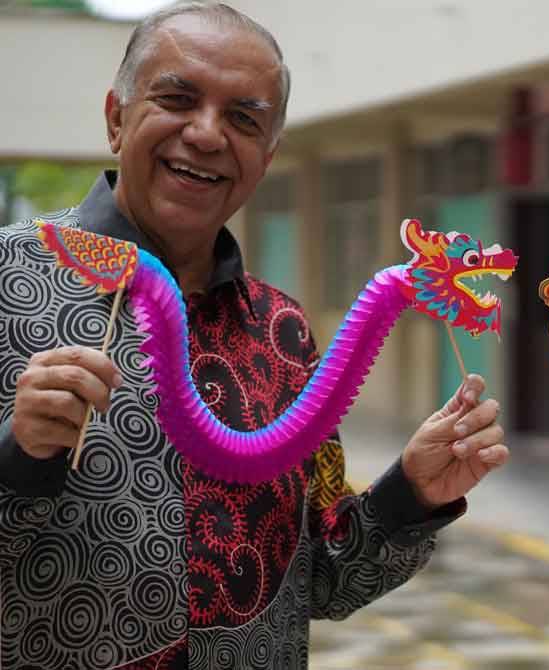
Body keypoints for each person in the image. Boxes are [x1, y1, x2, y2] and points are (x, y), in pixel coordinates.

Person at [0, 3, 508, 668]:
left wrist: (412, 493)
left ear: (265, 159)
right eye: (178, 98)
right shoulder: (12, 279)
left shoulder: (283, 332)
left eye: (244, 118)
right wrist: (20, 453)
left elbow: (323, 581)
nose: (207, 134)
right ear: (116, 118)